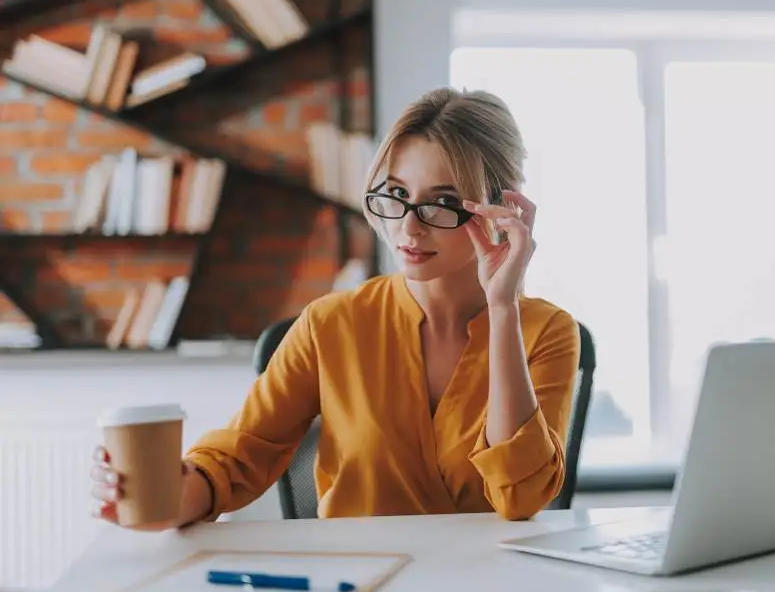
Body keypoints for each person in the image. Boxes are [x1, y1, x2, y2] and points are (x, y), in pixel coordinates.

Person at [90, 87, 581, 529]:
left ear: (501, 209)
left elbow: (520, 498)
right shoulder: (332, 324)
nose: (409, 229)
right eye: (396, 195)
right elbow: (240, 455)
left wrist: (501, 309)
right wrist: (169, 495)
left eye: (442, 202)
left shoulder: (546, 332)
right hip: (358, 589)